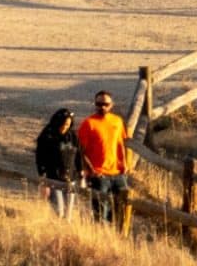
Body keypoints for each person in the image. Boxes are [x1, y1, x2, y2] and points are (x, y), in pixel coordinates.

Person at [74, 90, 135, 231]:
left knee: (121, 208)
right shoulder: (88, 124)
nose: (102, 107)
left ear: (111, 105)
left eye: (105, 104)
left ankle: (119, 238)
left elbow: (121, 143)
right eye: (98, 104)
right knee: (101, 212)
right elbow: (81, 151)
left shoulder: (118, 121)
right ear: (95, 104)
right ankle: (102, 239)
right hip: (99, 175)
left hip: (118, 173)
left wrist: (125, 164)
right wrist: (92, 171)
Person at [33, 108, 80, 218]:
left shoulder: (72, 136)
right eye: (62, 124)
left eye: (68, 124)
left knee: (68, 212)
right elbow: (40, 159)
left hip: (70, 178)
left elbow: (79, 155)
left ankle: (66, 231)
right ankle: (57, 228)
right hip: (53, 178)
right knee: (59, 210)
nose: (65, 126)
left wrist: (81, 172)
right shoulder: (47, 137)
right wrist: (44, 180)